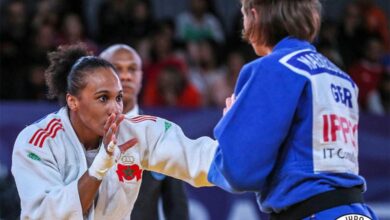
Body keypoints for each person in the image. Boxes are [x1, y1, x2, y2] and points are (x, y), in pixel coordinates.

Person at [121, 0, 378, 219]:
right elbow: (302, 155)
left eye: (244, 15)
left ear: (254, 14)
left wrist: (233, 126)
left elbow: (240, 171)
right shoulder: (339, 76)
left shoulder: (273, 68)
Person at [11, 44, 215, 220]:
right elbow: (48, 215)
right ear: (72, 101)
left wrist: (234, 137)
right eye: (102, 98)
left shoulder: (133, 132)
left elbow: (197, 158)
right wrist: (100, 166)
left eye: (118, 98)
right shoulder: (37, 142)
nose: (115, 108)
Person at [99, 44, 189, 220]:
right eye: (117, 69)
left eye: (132, 69)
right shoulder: (84, 130)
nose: (125, 76)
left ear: (141, 76)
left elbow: (176, 207)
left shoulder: (160, 135)